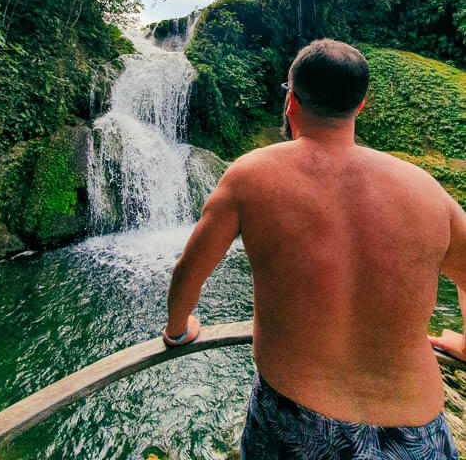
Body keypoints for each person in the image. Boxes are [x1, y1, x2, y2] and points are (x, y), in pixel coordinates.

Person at [161, 38, 464, 459]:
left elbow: (188, 272)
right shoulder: (429, 192)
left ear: (291, 101)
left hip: (294, 423)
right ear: (360, 106)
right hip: (417, 433)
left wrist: (178, 330)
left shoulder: (250, 175)